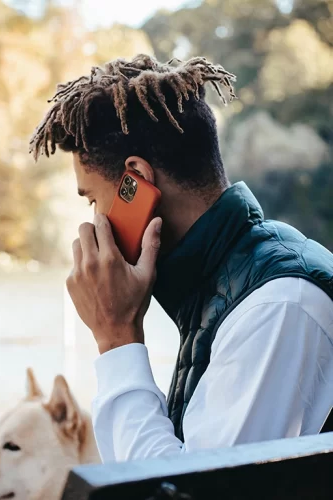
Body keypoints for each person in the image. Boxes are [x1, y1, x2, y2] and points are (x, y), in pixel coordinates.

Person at [29, 54, 333, 462]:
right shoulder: (229, 280)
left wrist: (117, 337)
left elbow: (183, 491)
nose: (94, 224)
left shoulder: (277, 306)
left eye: (93, 201)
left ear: (135, 181)